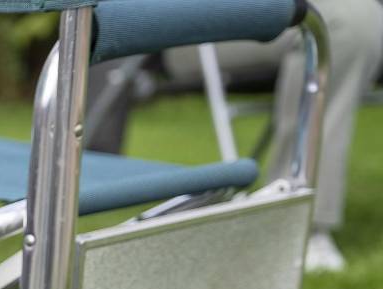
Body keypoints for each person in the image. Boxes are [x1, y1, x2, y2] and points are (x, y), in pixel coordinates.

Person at [88, 0, 383, 271]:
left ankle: (292, 204)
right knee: (350, 20)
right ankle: (295, 224)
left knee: (353, 15)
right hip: (200, 17)